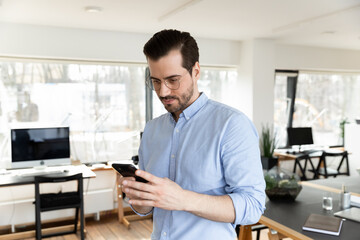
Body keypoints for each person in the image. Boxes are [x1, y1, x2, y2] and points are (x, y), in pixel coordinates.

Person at [120, 29, 265, 240]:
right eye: (156, 81)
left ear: (196, 71)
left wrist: (183, 199)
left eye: (173, 80)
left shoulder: (232, 125)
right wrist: (140, 199)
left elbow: (253, 206)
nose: (163, 92)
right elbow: (148, 209)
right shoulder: (152, 130)